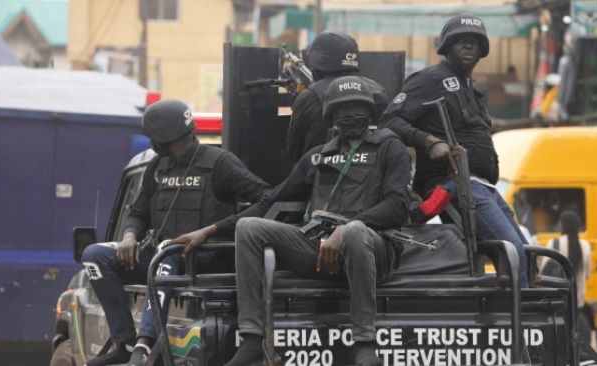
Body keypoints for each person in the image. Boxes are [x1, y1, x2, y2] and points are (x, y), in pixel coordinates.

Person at [221, 76, 411, 366]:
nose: (350, 115)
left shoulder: (390, 147)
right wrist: (211, 230)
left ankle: (364, 342)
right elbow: (270, 200)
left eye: (358, 108)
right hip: (320, 249)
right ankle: (253, 338)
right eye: (342, 109)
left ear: (370, 112)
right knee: (248, 229)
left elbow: (397, 206)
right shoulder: (318, 156)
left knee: (356, 231)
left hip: (373, 249)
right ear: (331, 116)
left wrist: (346, 229)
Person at [80, 99, 269, 366]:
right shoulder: (156, 167)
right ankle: (125, 343)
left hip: (203, 258)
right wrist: (129, 236)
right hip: (162, 253)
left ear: (163, 136)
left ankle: (144, 347)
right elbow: (138, 212)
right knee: (93, 255)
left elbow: (266, 198)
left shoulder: (220, 163)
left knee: (166, 253)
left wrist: (213, 230)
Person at [379, 14, 530, 287]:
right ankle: (522, 321)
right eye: (461, 41)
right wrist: (428, 141)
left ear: (483, 50)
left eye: (474, 42)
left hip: (482, 186)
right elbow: (389, 121)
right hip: (453, 183)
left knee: (525, 254)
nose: (468, 46)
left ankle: (520, 313)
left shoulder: (473, 89)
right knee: (513, 253)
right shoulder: (429, 79)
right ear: (446, 46)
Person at [285, 32, 388, 162]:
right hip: (373, 178)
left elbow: (293, 152)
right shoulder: (378, 90)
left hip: (321, 178)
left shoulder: (310, 96)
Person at [541, 210, 592, 343]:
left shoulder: (554, 243)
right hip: (577, 305)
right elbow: (587, 275)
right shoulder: (585, 246)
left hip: (557, 304)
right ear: (578, 226)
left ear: (562, 225)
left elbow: (543, 273)